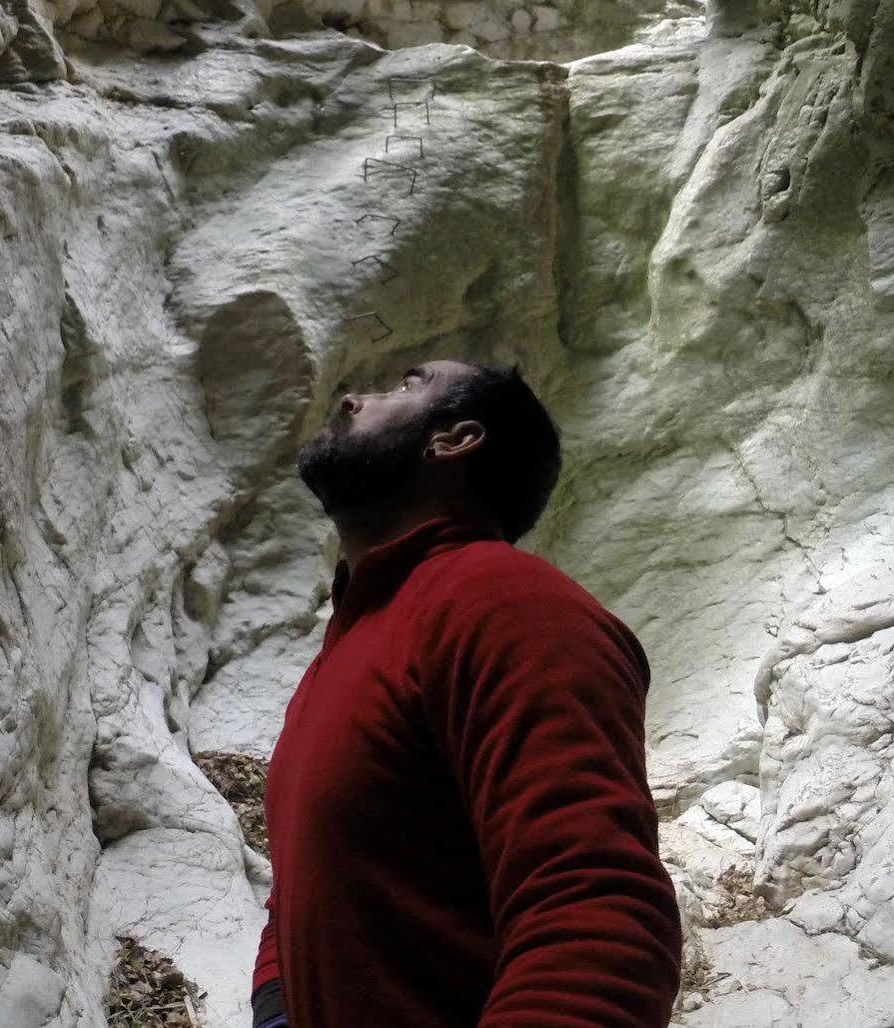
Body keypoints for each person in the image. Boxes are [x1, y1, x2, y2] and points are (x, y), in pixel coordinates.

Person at [249, 358, 683, 1028]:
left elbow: (594, 910)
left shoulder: (505, 602)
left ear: (452, 441)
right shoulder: (349, 644)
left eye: (406, 387)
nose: (353, 398)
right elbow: (303, 881)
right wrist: (276, 1006)